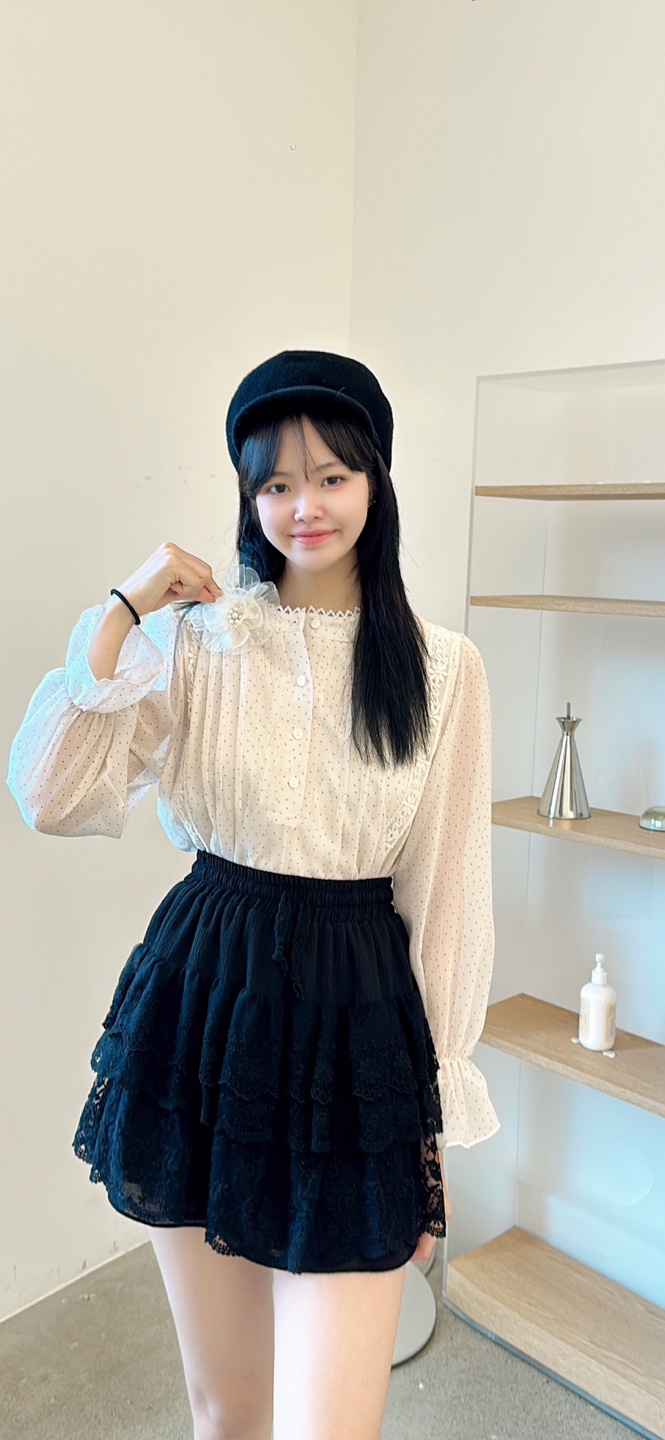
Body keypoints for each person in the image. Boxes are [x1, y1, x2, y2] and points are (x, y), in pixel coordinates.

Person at [6, 348, 500, 1440]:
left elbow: (446, 895)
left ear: (375, 482)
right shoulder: (194, 642)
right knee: (226, 1409)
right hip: (203, 1011)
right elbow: (49, 792)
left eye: (330, 475)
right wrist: (123, 608)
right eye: (273, 482)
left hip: (355, 1030)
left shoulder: (442, 667)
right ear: (246, 497)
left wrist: (426, 1124)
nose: (302, 505)